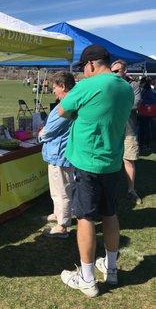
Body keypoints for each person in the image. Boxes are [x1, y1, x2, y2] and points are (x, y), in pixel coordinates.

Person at [58, 45, 134, 297]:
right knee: (110, 214)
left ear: (91, 64)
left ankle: (87, 278)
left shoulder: (87, 86)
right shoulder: (125, 86)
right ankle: (111, 269)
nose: (83, 72)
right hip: (112, 162)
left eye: (83, 68)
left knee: (86, 218)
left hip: (87, 163)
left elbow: (62, 109)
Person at [38, 71, 75, 238]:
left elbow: (51, 129)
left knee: (63, 190)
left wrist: (40, 134)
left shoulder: (68, 104)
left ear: (63, 86)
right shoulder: (66, 102)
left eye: (55, 88)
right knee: (56, 189)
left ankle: (63, 225)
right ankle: (58, 213)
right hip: (55, 152)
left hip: (60, 153)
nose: (53, 91)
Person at [110, 60, 142, 204]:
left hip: (129, 130)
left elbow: (135, 104)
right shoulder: (110, 85)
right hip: (112, 131)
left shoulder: (133, 85)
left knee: (128, 160)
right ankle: (110, 189)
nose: (115, 74)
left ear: (125, 70)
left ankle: (131, 190)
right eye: (112, 71)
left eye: (117, 71)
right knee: (110, 161)